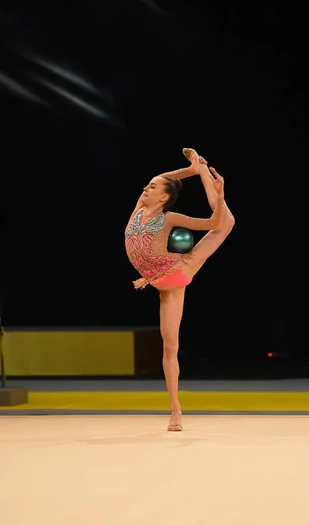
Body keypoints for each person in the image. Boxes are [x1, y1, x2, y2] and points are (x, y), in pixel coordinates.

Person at [125, 148, 235, 431]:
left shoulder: (170, 217)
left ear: (163, 197)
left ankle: (176, 414)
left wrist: (218, 193)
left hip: (177, 272)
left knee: (225, 223)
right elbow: (161, 177)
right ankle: (175, 410)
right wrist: (192, 168)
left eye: (151, 188)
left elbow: (213, 223)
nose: (145, 188)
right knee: (169, 347)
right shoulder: (139, 209)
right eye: (147, 186)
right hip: (160, 283)